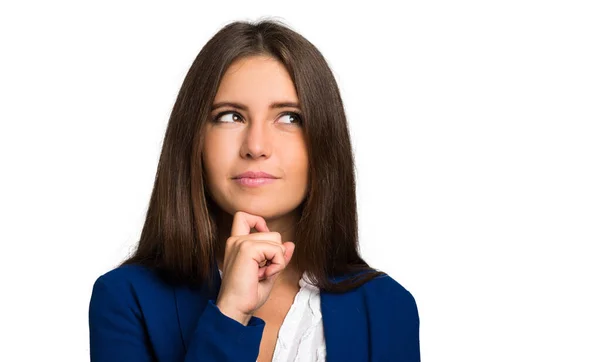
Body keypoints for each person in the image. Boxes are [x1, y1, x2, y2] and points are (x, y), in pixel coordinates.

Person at [88, 18, 420, 362]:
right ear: (193, 140)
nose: (256, 146)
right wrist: (230, 312)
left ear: (325, 141)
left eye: (290, 117)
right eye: (230, 116)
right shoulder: (125, 298)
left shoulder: (387, 308)